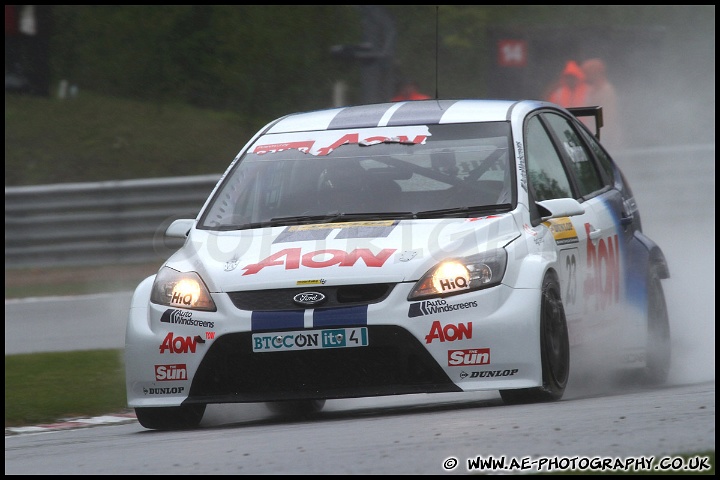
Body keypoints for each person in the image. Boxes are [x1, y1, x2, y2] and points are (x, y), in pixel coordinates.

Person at [581, 58, 622, 149]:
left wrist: (604, 137)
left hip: (607, 138)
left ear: (595, 73)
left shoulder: (606, 90)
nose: (585, 76)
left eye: (587, 73)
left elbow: (608, 117)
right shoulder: (590, 90)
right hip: (594, 135)